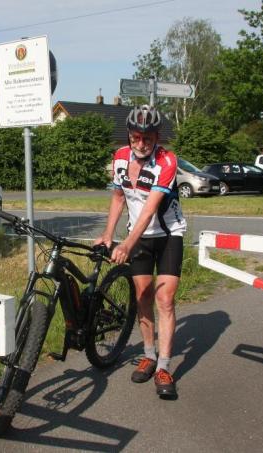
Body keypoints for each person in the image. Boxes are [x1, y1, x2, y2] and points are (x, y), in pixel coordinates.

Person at [95, 104, 186, 399]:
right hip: (139, 238)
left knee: (165, 298)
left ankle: (164, 366)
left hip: (168, 235)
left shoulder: (167, 161)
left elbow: (149, 209)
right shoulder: (120, 157)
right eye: (136, 137)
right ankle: (148, 354)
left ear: (157, 136)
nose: (142, 143)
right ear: (129, 135)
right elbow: (118, 198)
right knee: (143, 295)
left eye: (148, 138)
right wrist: (108, 235)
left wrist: (126, 244)